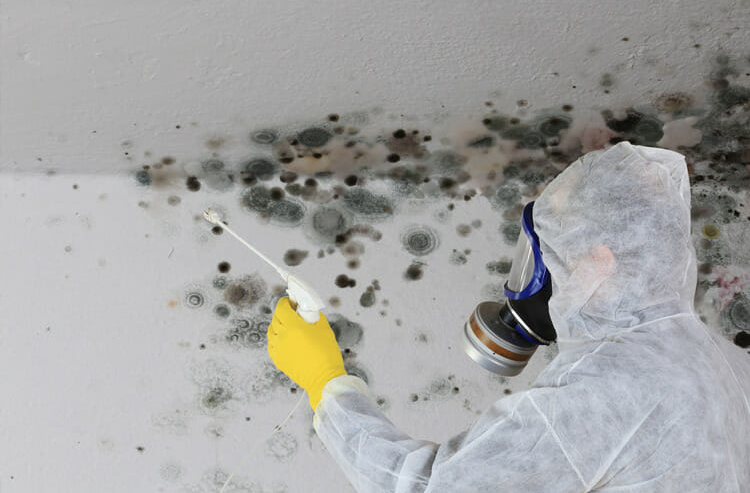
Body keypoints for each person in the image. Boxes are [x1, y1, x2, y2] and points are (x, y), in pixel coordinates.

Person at [267, 141, 750, 492]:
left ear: (600, 261)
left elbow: (431, 490)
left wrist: (327, 384)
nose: (536, 274)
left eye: (551, 254)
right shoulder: (722, 365)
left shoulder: (603, 388)